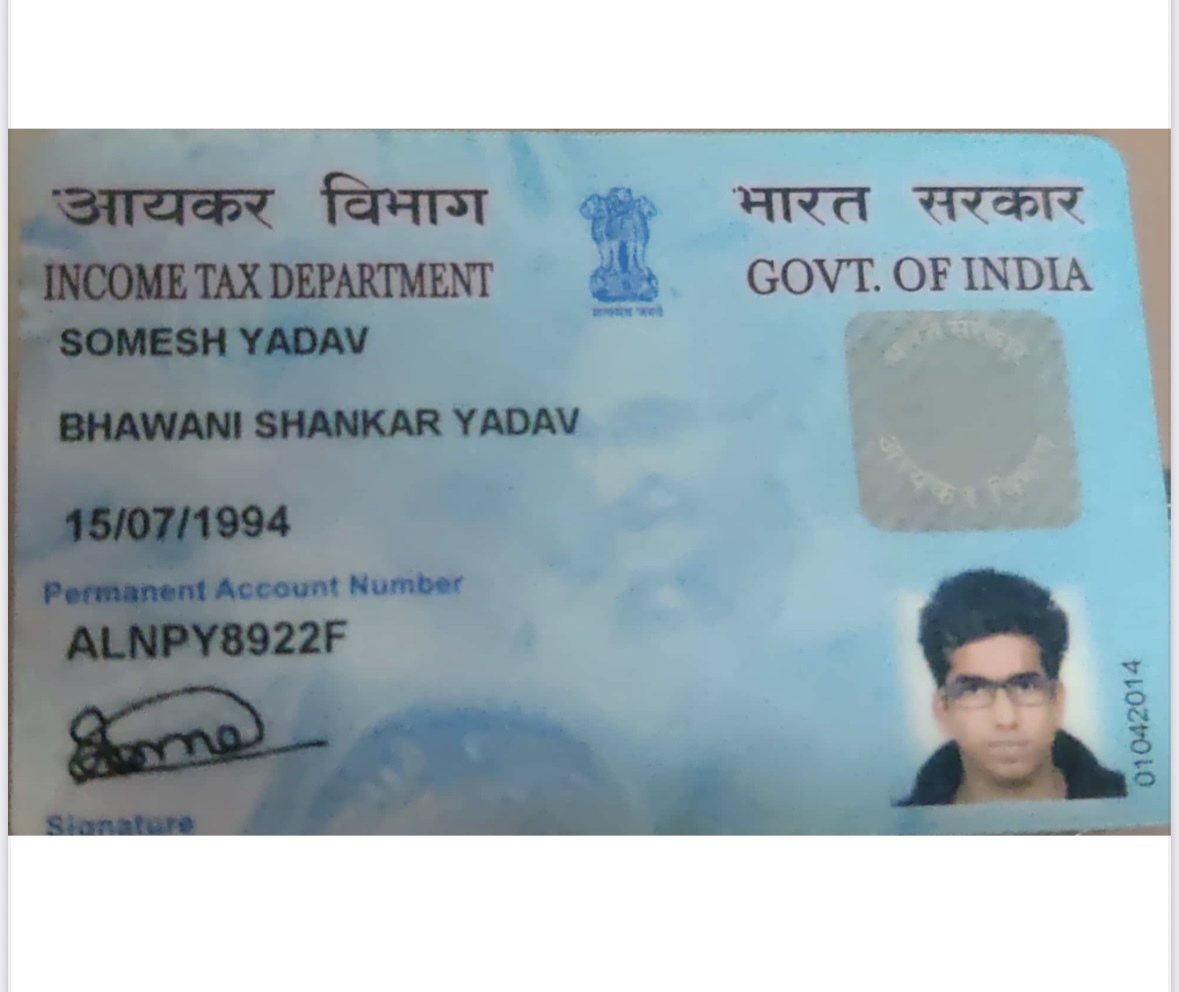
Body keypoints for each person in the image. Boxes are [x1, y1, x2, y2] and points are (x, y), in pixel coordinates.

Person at [898, 568, 1126, 806]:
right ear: (943, 710)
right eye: (973, 689)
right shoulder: (897, 826)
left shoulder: (1136, 809)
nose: (1006, 719)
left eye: (1025, 686)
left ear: (1057, 700)